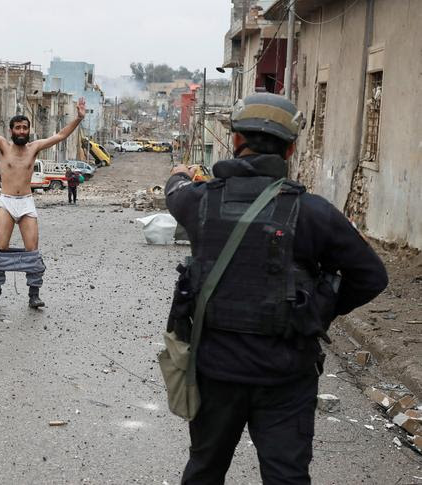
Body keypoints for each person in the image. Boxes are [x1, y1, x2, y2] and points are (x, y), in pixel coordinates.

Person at [164, 93, 388, 484]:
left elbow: (174, 191)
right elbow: (371, 276)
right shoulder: (315, 212)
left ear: (235, 141)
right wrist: (313, 311)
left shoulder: (198, 202)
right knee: (287, 477)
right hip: (287, 374)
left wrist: (181, 173)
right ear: (290, 148)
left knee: (204, 470)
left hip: (216, 372)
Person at [0, 83, 86, 308]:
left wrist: (79, 118)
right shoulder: (3, 146)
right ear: (11, 130)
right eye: (18, 128)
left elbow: (61, 135)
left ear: (29, 129)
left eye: (25, 127)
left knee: (32, 250)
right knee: (1, 248)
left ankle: (34, 295)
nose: (22, 131)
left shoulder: (34, 148)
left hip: (26, 203)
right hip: (6, 202)